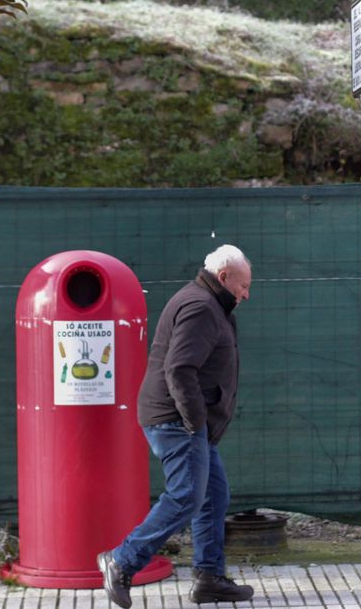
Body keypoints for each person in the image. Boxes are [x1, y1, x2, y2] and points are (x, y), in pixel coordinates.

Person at [98, 244, 255, 606]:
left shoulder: (214, 304)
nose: (247, 294)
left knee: (213, 496)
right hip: (176, 420)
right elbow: (179, 369)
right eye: (244, 285)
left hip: (186, 420)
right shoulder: (201, 307)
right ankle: (122, 561)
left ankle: (209, 578)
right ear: (224, 277)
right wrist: (194, 421)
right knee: (186, 495)